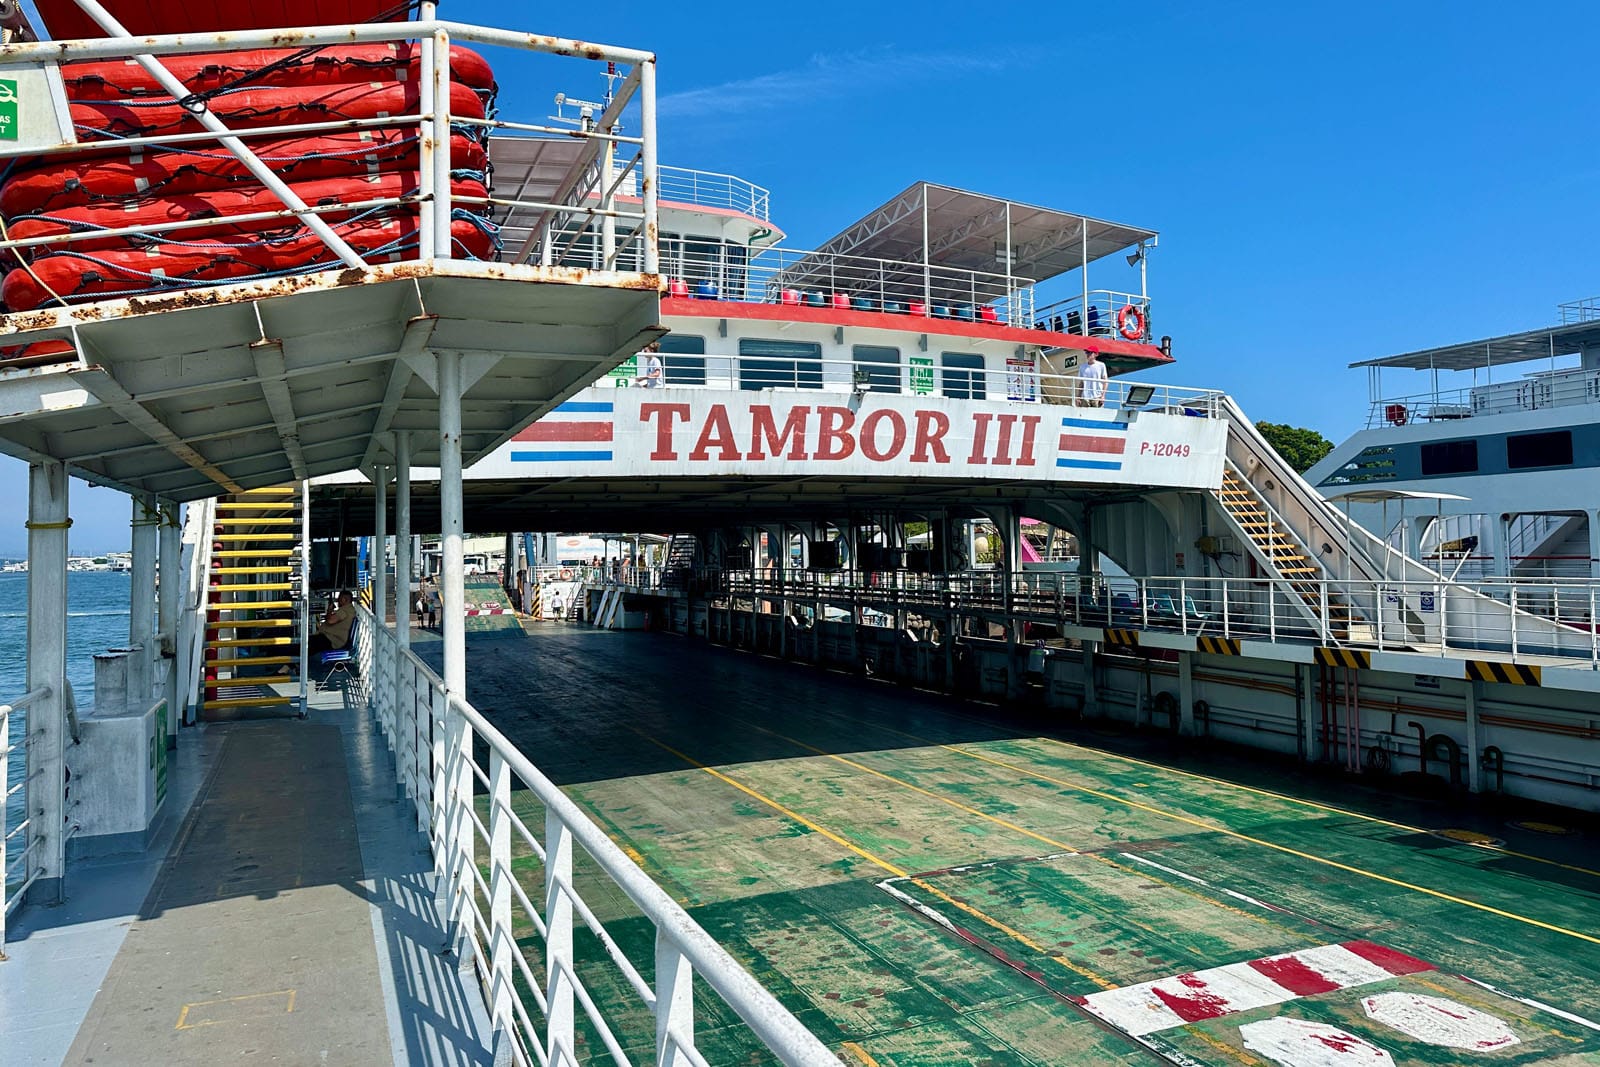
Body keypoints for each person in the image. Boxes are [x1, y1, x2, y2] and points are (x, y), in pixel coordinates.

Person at [309, 590, 356, 657]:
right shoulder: (350, 609)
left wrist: (330, 610)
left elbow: (330, 621)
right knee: (311, 642)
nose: (338, 601)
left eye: (339, 599)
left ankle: (295, 660)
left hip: (331, 640)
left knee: (307, 644)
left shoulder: (345, 610)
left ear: (344, 599)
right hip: (332, 639)